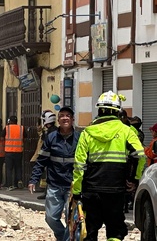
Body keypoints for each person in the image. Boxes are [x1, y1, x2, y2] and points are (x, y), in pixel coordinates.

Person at [72, 91, 145, 241]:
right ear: (118, 111)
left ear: (99, 110)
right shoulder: (127, 131)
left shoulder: (87, 132)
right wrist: (134, 179)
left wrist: (77, 191)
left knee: (90, 230)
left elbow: (79, 165)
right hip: (116, 190)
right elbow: (141, 155)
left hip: (91, 190)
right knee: (115, 231)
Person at [28, 106, 79, 241]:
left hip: (73, 186)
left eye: (68, 115)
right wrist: (34, 179)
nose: (65, 118)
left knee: (71, 220)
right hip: (55, 185)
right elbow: (41, 161)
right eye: (62, 115)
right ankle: (62, 237)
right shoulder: (51, 138)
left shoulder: (80, 139)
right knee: (50, 218)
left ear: (72, 119)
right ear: (58, 119)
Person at [4, 115, 25, 190]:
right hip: (18, 151)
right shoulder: (21, 128)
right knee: (18, 167)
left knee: (9, 169)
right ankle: (18, 180)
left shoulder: (7, 128)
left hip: (9, 151)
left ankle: (9, 184)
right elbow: (25, 136)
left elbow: (2, 137)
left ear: (9, 121)